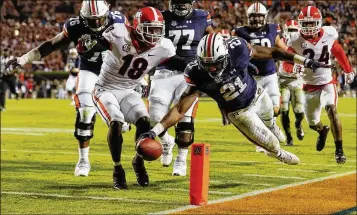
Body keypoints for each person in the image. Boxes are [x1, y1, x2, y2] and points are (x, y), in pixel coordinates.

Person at [137, 33, 331, 167]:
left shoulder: (237, 49)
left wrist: (304, 61)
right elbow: (180, 108)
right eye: (207, 64)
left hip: (257, 94)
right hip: (239, 113)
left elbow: (274, 52)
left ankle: (272, 125)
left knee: (271, 116)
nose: (212, 69)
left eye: (216, 63)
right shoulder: (196, 72)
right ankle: (277, 153)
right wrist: (155, 131)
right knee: (273, 144)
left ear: (225, 55)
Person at [5, 0, 129, 176]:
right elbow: (50, 45)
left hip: (114, 72)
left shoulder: (118, 21)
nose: (96, 23)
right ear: (82, 18)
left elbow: (131, 48)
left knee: (126, 115)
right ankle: (83, 160)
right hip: (90, 70)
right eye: (91, 20)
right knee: (85, 112)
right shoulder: (75, 26)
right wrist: (23, 59)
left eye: (99, 19)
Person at [93, 7, 186, 189]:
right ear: (137, 26)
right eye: (149, 29)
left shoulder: (164, 46)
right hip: (105, 89)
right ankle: (117, 169)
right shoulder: (120, 33)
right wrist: (89, 42)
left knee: (144, 120)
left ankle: (138, 161)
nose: (154, 34)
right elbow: (98, 43)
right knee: (116, 122)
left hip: (128, 90)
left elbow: (176, 62)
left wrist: (195, 65)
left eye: (157, 29)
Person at [148, 0, 214, 176]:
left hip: (189, 73)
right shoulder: (162, 17)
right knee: (154, 117)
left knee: (185, 121)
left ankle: (181, 160)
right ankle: (167, 141)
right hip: (163, 71)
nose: (180, 5)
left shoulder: (202, 17)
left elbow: (212, 40)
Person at [283, 6, 354, 164]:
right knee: (313, 123)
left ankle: (339, 150)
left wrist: (348, 70)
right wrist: (294, 67)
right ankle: (322, 132)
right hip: (308, 87)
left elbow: (338, 50)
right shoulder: (294, 39)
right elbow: (286, 61)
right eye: (305, 24)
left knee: (332, 110)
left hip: (327, 82)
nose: (308, 27)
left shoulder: (328, 34)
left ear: (319, 22)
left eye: (312, 23)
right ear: (300, 24)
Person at [232, 2, 287, 152]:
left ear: (265, 16)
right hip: (251, 77)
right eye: (253, 16)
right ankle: (263, 139)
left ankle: (272, 126)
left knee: (275, 107)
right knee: (255, 110)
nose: (256, 19)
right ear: (248, 17)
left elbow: (281, 48)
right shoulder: (240, 32)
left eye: (259, 16)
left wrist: (292, 58)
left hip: (269, 74)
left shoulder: (272, 28)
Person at [278, 19, 305, 146]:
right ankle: (289, 136)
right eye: (291, 30)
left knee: (299, 109)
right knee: (284, 108)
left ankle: (298, 124)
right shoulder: (280, 43)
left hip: (298, 81)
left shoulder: (303, 44)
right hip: (283, 80)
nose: (293, 33)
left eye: (295, 30)